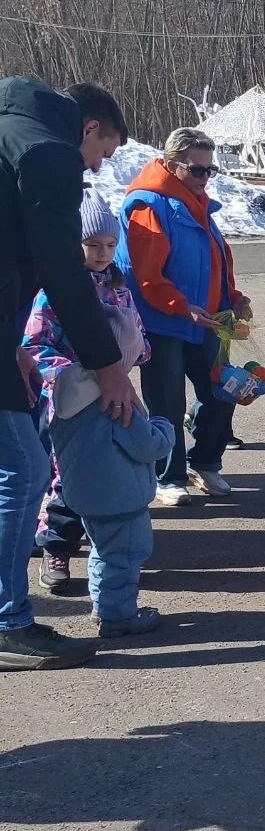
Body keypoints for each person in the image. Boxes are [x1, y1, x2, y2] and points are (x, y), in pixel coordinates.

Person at [0, 77, 134, 670]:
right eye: (101, 152)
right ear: (88, 128)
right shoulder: (47, 153)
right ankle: (8, 622)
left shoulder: (9, 131)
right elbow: (60, 268)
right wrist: (108, 366)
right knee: (25, 469)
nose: (96, 166)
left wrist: (13, 344)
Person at [23, 188, 152, 597]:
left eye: (110, 245)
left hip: (116, 395)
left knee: (113, 471)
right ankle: (56, 546)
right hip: (72, 401)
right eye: (93, 244)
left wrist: (139, 348)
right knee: (69, 475)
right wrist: (68, 375)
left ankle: (109, 548)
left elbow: (134, 328)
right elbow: (35, 344)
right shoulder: (56, 291)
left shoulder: (118, 286)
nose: (102, 253)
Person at [117, 127, 252, 505]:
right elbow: (146, 274)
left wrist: (233, 298)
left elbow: (215, 260)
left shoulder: (198, 202)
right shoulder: (148, 205)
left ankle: (204, 461)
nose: (205, 177)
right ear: (171, 164)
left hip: (207, 318)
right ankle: (168, 476)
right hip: (163, 321)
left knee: (225, 390)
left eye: (210, 170)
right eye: (197, 169)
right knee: (167, 403)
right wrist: (181, 307)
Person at [48, 306, 174, 637]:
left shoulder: (67, 389)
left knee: (103, 551)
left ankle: (103, 605)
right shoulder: (115, 400)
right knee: (125, 555)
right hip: (121, 494)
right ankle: (117, 616)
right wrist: (164, 426)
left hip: (85, 494)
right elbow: (147, 445)